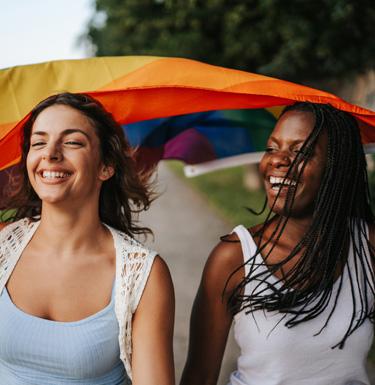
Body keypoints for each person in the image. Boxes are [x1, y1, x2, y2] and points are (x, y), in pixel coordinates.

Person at [180, 102, 375, 385]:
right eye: (272, 148)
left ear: (336, 166)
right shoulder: (234, 258)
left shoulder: (366, 246)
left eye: (301, 151)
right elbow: (198, 377)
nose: (278, 160)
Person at [0, 93, 175, 385]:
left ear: (106, 166)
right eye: (39, 142)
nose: (50, 153)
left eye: (72, 142)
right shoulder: (3, 246)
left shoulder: (143, 275)